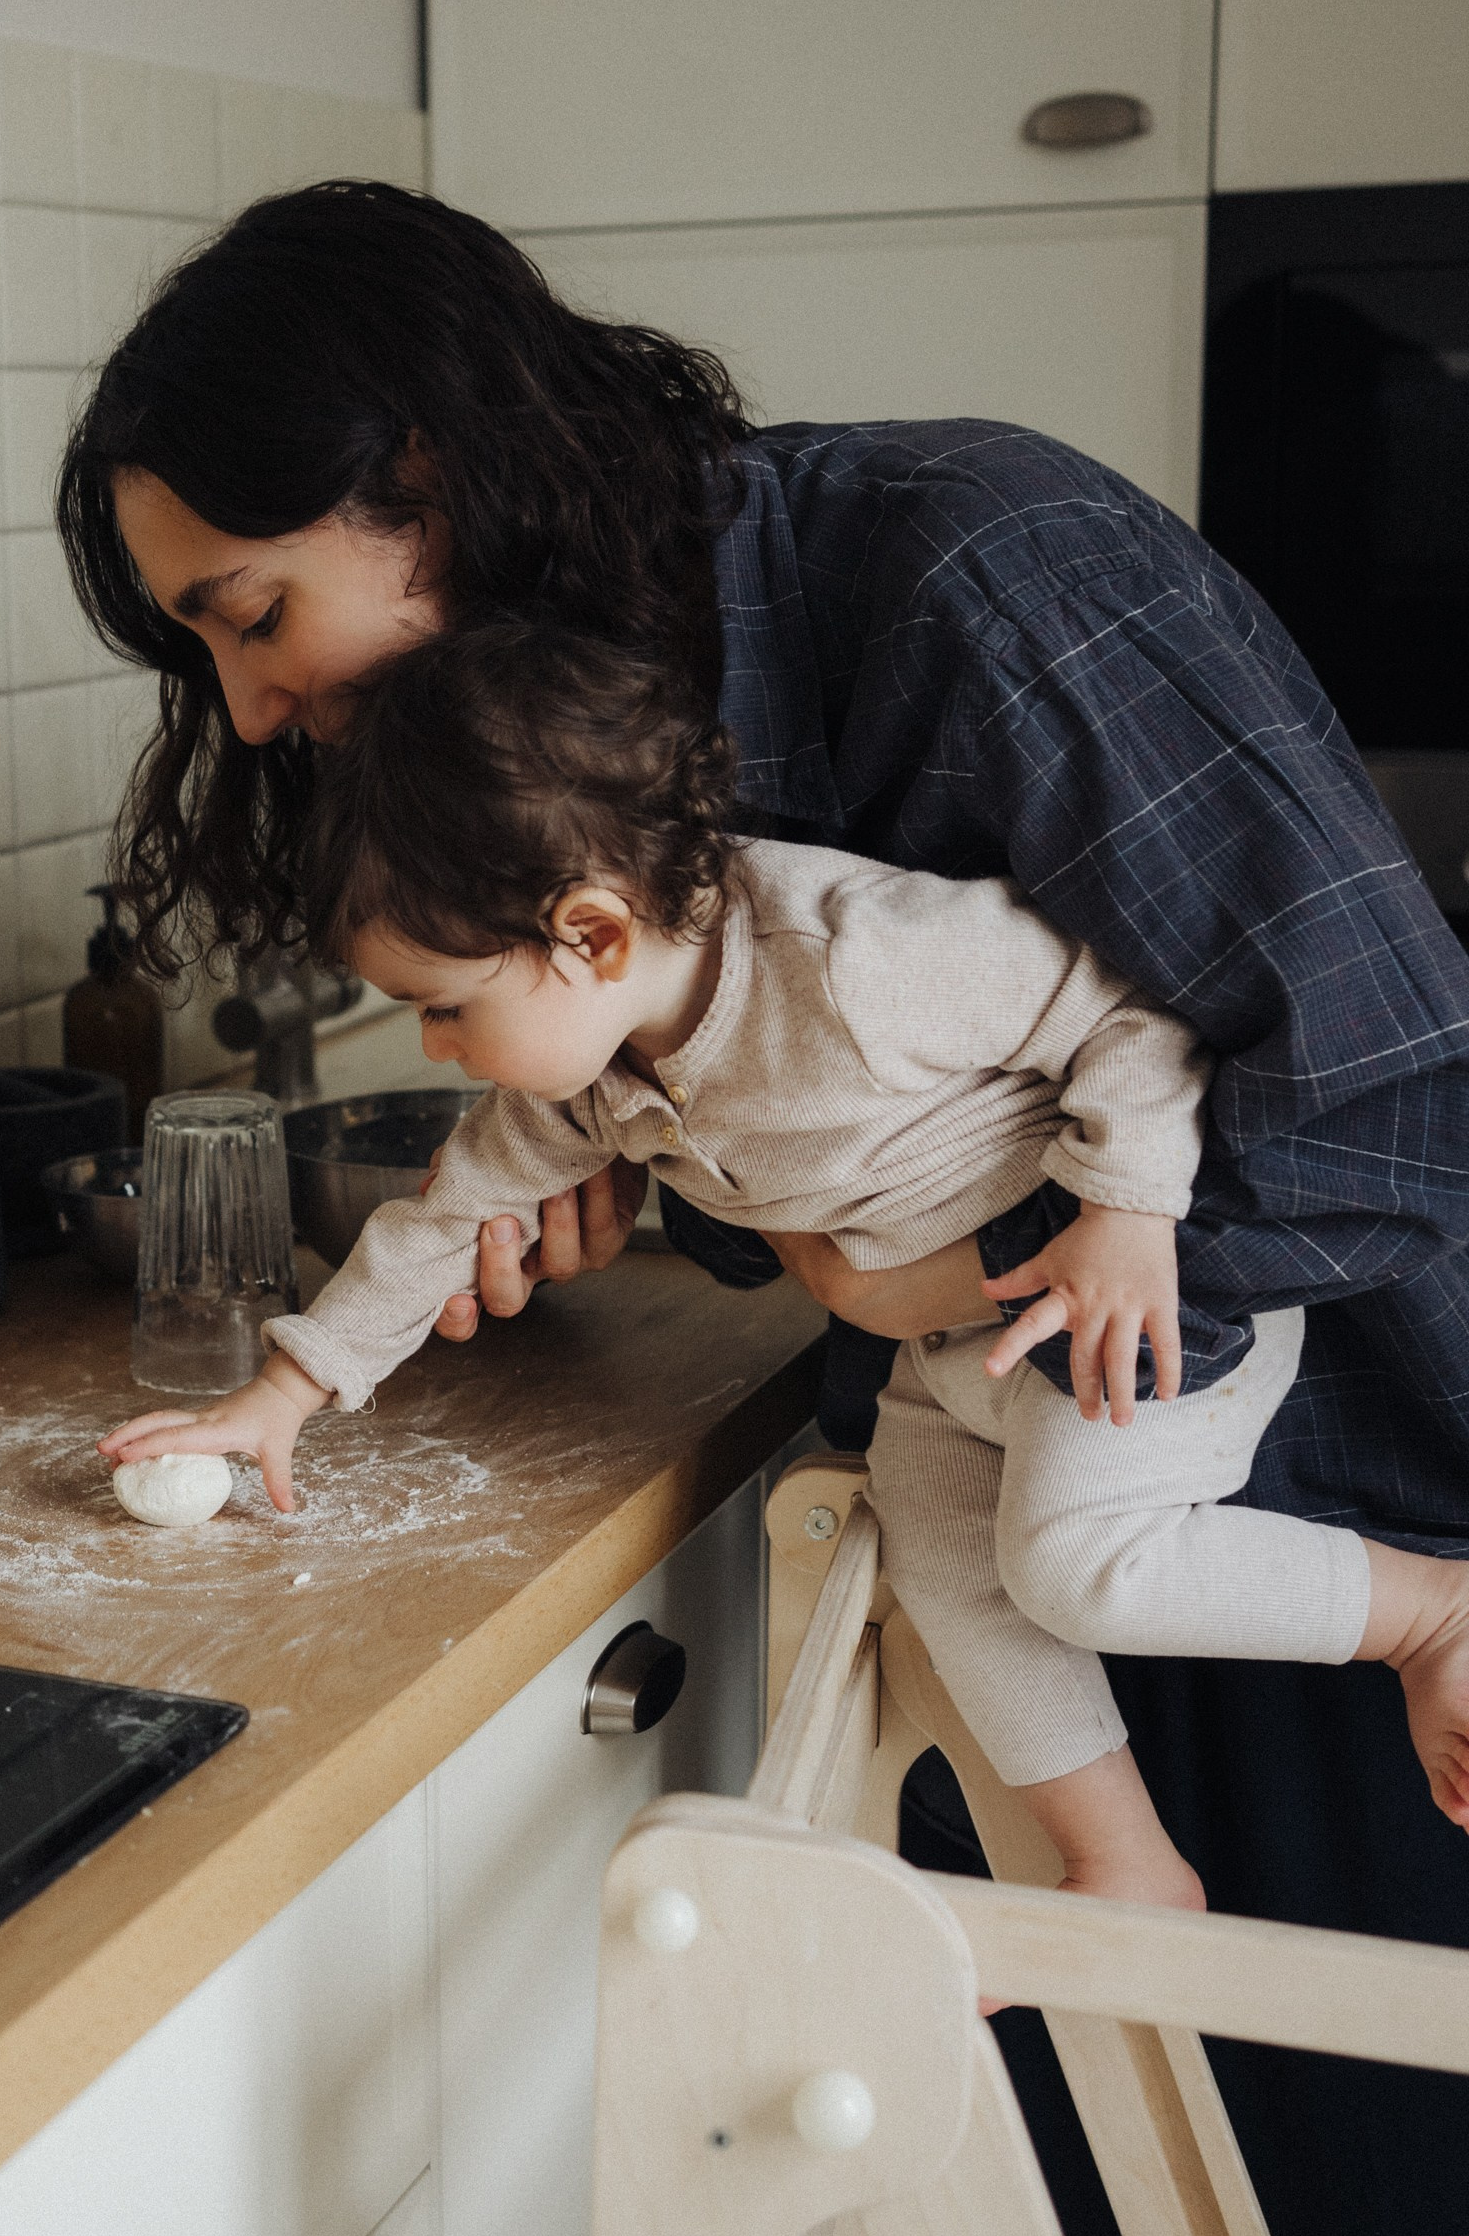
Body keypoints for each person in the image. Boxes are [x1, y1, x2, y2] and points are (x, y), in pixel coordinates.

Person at [58, 180, 1469, 2236]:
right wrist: (672, 1177)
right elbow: (775, 1121)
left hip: (1328, 1499)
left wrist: (879, 1265)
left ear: (422, 477)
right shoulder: (559, 791)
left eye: (251, 615)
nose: (242, 714)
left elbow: (1377, 1094)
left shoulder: (972, 576)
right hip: (1011, 1504)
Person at [98, 621, 1469, 1909]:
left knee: (1073, 1566)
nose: (440, 1053)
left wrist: (1123, 1208)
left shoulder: (853, 958)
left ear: (590, 934)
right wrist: (284, 1394)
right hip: (967, 1359)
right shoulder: (596, 1075)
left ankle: (1430, 1617)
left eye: (447, 1012)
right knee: (940, 1550)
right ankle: (1127, 1866)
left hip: (1131, 1318)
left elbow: (1133, 1012)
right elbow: (440, 1218)